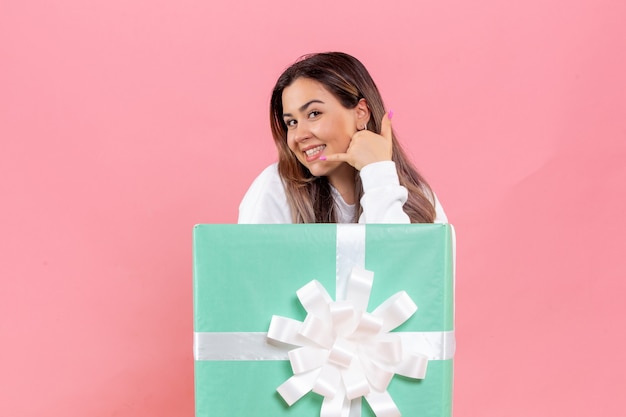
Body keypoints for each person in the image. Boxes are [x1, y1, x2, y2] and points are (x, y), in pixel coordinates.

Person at [238, 52, 447, 224]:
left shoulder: (419, 198)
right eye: (291, 122)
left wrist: (378, 174)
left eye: (313, 114)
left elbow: (398, 264)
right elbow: (250, 272)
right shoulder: (274, 189)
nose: (299, 136)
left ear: (360, 112)